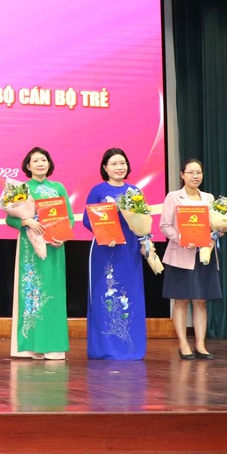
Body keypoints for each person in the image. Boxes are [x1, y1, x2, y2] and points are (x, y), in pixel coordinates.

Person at [6, 146, 70, 360]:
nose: (40, 163)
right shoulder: (21, 188)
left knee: (53, 295)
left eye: (44, 159)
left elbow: (68, 218)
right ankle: (32, 345)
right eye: (35, 161)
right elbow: (9, 218)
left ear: (49, 164)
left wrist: (62, 237)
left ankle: (53, 346)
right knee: (32, 294)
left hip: (54, 247)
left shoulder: (58, 187)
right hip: (29, 250)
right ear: (28, 166)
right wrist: (26, 221)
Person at [82, 147, 146, 360]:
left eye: (122, 163)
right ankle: (104, 348)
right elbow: (86, 220)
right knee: (104, 295)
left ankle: (130, 347)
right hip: (104, 250)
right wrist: (103, 234)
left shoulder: (134, 191)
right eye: (114, 164)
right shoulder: (98, 190)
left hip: (129, 251)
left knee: (130, 295)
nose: (119, 167)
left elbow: (142, 221)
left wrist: (146, 241)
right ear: (105, 168)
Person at [158, 159, 222, 359]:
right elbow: (164, 226)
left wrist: (218, 232)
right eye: (191, 172)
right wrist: (182, 239)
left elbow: (216, 226)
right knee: (182, 300)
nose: (195, 176)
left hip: (204, 255)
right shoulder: (174, 197)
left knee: (201, 301)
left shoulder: (209, 198)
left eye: (199, 172)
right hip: (180, 255)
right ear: (182, 175)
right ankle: (184, 344)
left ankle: (201, 345)